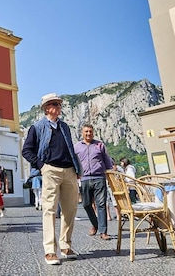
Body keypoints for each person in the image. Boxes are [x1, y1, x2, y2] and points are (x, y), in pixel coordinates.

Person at [22, 93, 82, 266]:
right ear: (47, 108)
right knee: (49, 210)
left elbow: (71, 149)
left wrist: (77, 169)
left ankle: (65, 245)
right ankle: (50, 251)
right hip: (50, 170)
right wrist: (42, 166)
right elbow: (27, 150)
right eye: (55, 104)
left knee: (70, 209)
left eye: (59, 104)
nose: (58, 107)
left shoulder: (65, 127)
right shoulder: (37, 127)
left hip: (69, 171)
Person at [75, 124, 113, 241]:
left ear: (93, 133)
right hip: (84, 178)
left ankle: (103, 231)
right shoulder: (76, 147)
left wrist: (110, 177)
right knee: (86, 204)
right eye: (86, 131)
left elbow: (108, 162)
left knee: (101, 204)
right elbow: (73, 162)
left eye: (90, 131)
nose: (88, 134)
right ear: (82, 133)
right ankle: (95, 224)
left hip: (99, 178)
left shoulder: (100, 145)